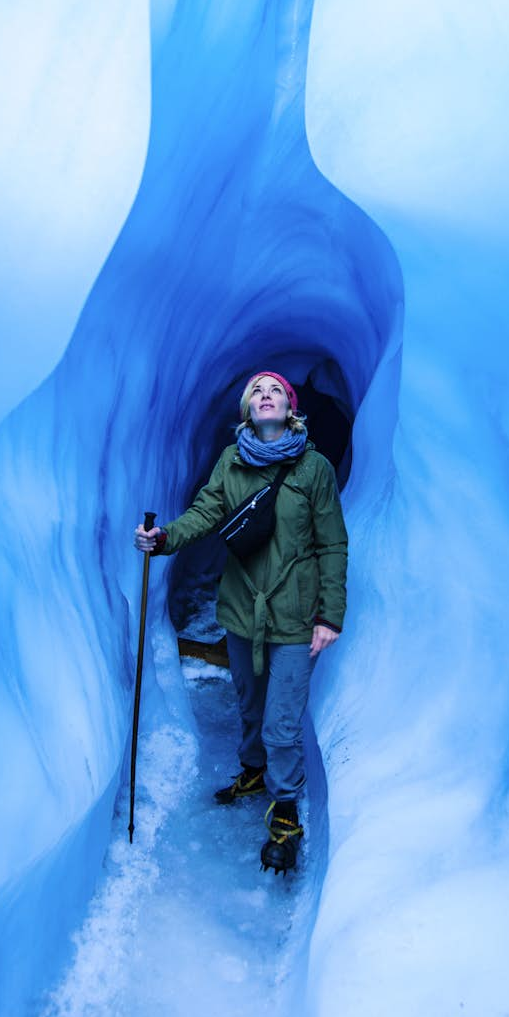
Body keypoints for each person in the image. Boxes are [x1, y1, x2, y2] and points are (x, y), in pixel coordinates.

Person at [134, 371, 347, 873]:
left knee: (281, 722)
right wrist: (164, 539)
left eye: (275, 391)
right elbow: (205, 514)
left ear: (289, 408)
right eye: (257, 392)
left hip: (295, 615)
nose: (266, 396)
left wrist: (329, 614)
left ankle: (287, 810)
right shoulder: (232, 462)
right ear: (247, 410)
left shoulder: (313, 468)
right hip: (241, 609)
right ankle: (253, 772)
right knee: (250, 704)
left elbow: (332, 543)